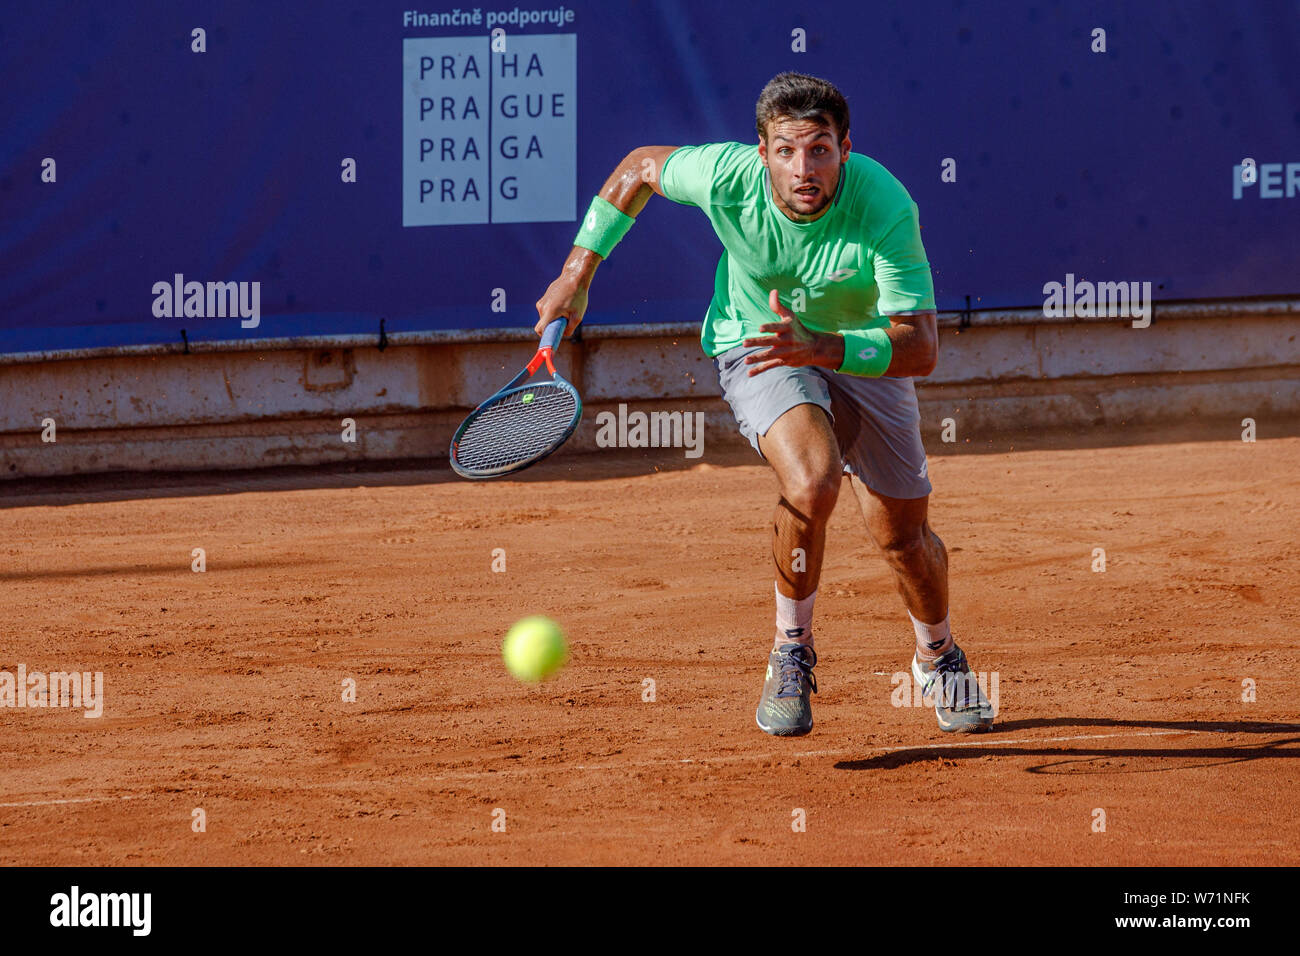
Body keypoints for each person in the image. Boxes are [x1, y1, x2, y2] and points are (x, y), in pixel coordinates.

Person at [535, 71, 994, 737]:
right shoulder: (725, 176)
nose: (802, 168)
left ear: (845, 149)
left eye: (819, 150)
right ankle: (791, 650)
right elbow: (637, 170)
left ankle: (937, 653)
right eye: (785, 150)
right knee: (812, 480)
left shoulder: (885, 206)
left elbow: (919, 349)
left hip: (861, 348)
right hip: (757, 343)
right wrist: (576, 275)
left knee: (903, 538)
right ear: (761, 153)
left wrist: (826, 347)